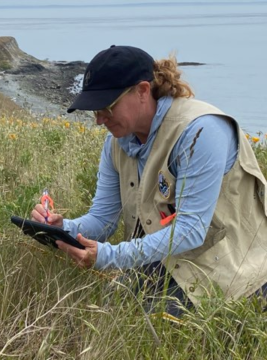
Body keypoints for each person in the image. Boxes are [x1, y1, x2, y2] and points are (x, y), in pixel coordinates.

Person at [31, 45, 267, 315]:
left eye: (106, 107)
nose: (98, 120)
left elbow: (190, 230)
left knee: (152, 326)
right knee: (110, 316)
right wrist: (63, 229)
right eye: (93, 110)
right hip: (169, 262)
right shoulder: (116, 142)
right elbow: (103, 220)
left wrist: (108, 257)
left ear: (143, 91)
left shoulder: (201, 131)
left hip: (237, 273)